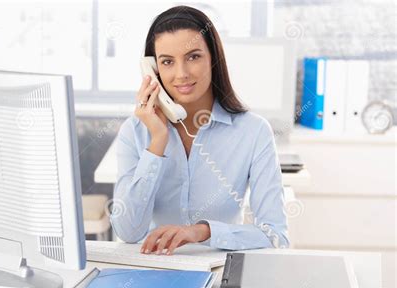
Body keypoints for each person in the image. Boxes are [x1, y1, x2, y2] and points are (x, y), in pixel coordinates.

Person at [110, 5, 289, 255]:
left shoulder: (253, 131)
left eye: (193, 57)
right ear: (153, 69)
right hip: (155, 267)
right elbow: (127, 232)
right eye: (167, 62)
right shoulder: (135, 131)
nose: (181, 74)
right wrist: (157, 141)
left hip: (220, 271)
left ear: (213, 59)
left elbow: (275, 235)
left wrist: (202, 231)